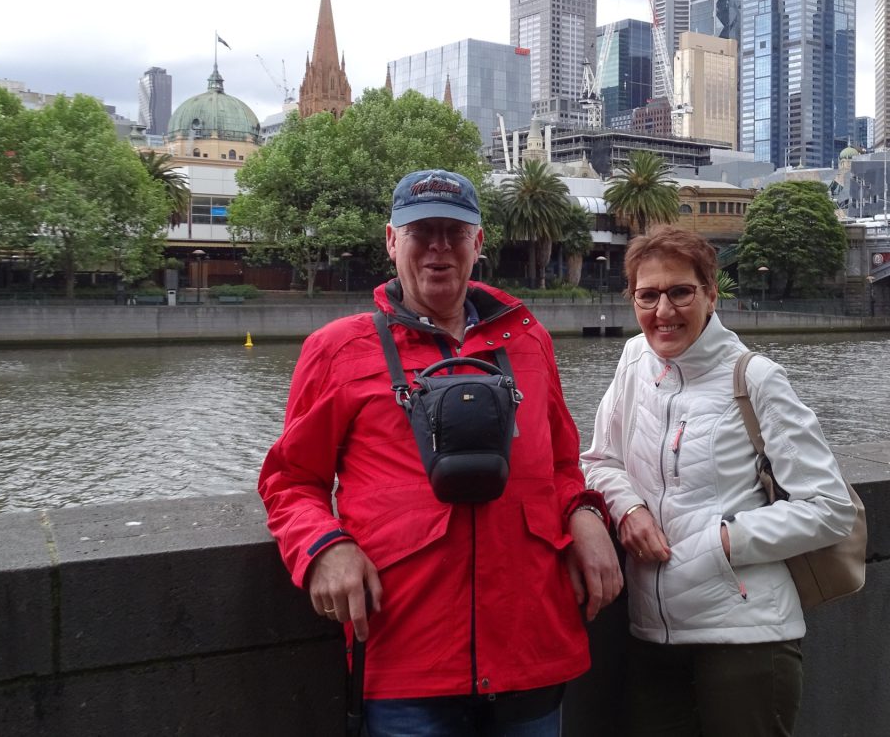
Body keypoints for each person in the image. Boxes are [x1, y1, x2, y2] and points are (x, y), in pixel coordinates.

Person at [259, 169, 622, 736]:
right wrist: (324, 547)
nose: (438, 249)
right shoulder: (338, 349)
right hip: (407, 655)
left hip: (530, 645)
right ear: (390, 240)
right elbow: (290, 481)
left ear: (478, 244)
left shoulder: (528, 341)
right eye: (420, 232)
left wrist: (585, 512)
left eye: (454, 233)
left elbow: (560, 465)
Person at [581, 226, 858, 737]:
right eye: (648, 295)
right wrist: (628, 510)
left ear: (711, 292)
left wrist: (721, 542)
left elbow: (830, 507)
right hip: (652, 630)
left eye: (680, 292)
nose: (663, 311)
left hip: (746, 638)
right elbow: (599, 460)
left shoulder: (755, 378)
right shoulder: (634, 362)